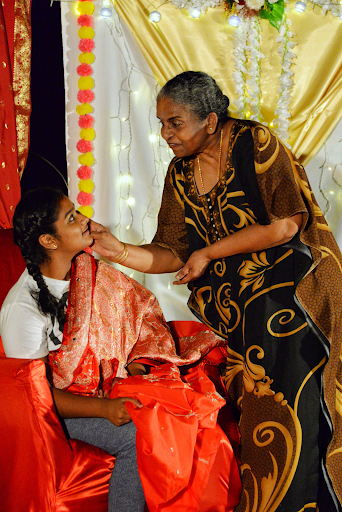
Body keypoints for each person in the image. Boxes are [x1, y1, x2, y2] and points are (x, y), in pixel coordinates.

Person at [88, 71, 342, 511]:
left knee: (289, 409)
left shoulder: (255, 143)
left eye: (175, 123)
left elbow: (286, 224)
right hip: (242, 314)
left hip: (294, 300)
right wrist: (119, 251)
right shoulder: (180, 172)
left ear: (209, 120)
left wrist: (208, 254)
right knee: (255, 413)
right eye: (161, 123)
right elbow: (171, 251)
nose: (165, 133)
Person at [0, 186, 241, 512]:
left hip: (102, 388)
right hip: (49, 416)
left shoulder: (85, 271)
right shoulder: (24, 308)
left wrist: (135, 368)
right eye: (72, 218)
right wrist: (105, 410)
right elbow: (36, 401)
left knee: (184, 404)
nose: (84, 220)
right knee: (136, 437)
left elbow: (135, 316)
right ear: (49, 241)